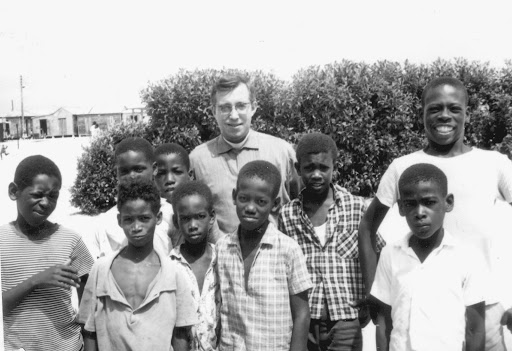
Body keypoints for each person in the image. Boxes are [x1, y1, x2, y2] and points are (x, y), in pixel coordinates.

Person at [358, 77, 512, 350]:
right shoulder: (403, 167)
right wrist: (376, 295)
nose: (444, 115)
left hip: (483, 313)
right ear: (423, 113)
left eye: (454, 108)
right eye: (435, 108)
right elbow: (367, 227)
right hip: (418, 313)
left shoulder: (494, 163)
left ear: (467, 113)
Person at [278, 133, 385, 351]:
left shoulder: (357, 208)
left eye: (323, 168)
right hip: (305, 319)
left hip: (346, 317)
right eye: (309, 168)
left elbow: (380, 253)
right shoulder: (288, 215)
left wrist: (371, 295)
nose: (316, 174)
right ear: (298, 169)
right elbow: (283, 267)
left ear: (334, 167)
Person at [370, 163, 485, 351]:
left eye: (429, 202)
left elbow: (475, 329)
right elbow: (383, 324)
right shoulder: (390, 254)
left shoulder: (467, 256)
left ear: (448, 202)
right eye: (410, 204)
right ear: (400, 208)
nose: (420, 213)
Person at [79, 179, 198, 351]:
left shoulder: (174, 273)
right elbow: (89, 330)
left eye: (144, 219)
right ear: (119, 220)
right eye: (129, 219)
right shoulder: (101, 269)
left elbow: (180, 333)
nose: (136, 227)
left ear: (158, 218)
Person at [216, 160, 312, 350]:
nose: (250, 208)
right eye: (244, 198)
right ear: (234, 197)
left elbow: (301, 314)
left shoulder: (288, 250)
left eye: (261, 201)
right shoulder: (222, 248)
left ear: (275, 204)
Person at [1, 155, 94, 351]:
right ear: (13, 191)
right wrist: (37, 280)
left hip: (68, 346)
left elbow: (90, 300)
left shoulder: (70, 240)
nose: (45, 203)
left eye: (53, 196)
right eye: (37, 194)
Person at [190, 74, 299, 236]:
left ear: (253, 108)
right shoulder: (198, 159)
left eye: (241, 106)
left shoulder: (281, 152)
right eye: (225, 107)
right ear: (214, 111)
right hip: (220, 258)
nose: (233, 115)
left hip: (275, 256)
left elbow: (300, 202)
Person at [91, 137, 173, 259]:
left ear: (154, 169)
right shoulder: (105, 223)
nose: (132, 176)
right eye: (124, 171)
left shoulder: (171, 215)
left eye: (139, 169)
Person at [170, 181, 220, 351]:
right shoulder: (169, 265)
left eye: (200, 216)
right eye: (185, 218)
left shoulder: (222, 259)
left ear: (211, 217)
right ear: (176, 222)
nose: (192, 225)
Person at [154, 143, 221, 246]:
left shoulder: (202, 207)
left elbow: (217, 245)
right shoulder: (153, 213)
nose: (169, 180)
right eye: (161, 173)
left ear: (190, 175)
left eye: (177, 172)